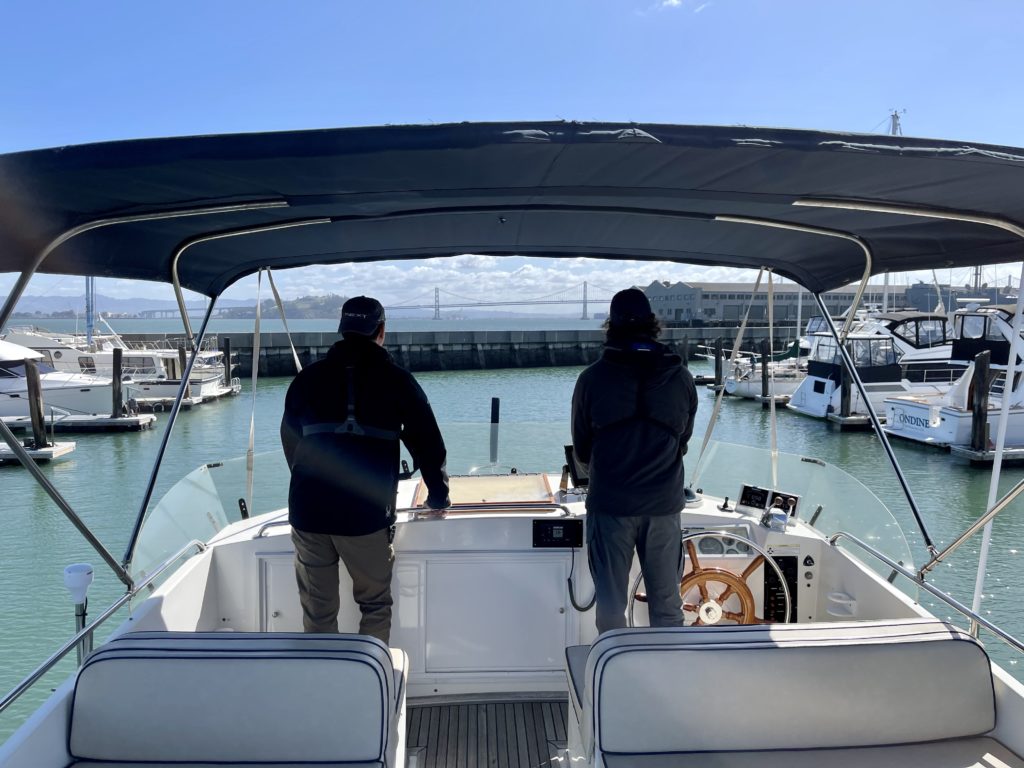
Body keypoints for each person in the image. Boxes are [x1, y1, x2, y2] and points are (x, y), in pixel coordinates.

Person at [281, 295, 449, 643]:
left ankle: (324, 684)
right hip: (364, 514)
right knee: (374, 604)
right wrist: (438, 495)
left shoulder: (306, 380)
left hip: (308, 512)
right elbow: (428, 444)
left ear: (342, 330)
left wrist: (308, 487)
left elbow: (291, 444)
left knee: (318, 610)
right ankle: (368, 683)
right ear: (381, 331)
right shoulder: (398, 380)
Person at [571, 288, 698, 632]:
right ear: (653, 325)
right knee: (667, 602)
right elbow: (682, 440)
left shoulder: (591, 379)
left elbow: (582, 450)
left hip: (611, 505)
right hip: (664, 504)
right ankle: (667, 676)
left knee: (612, 604)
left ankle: (618, 677)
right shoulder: (682, 378)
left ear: (610, 326)